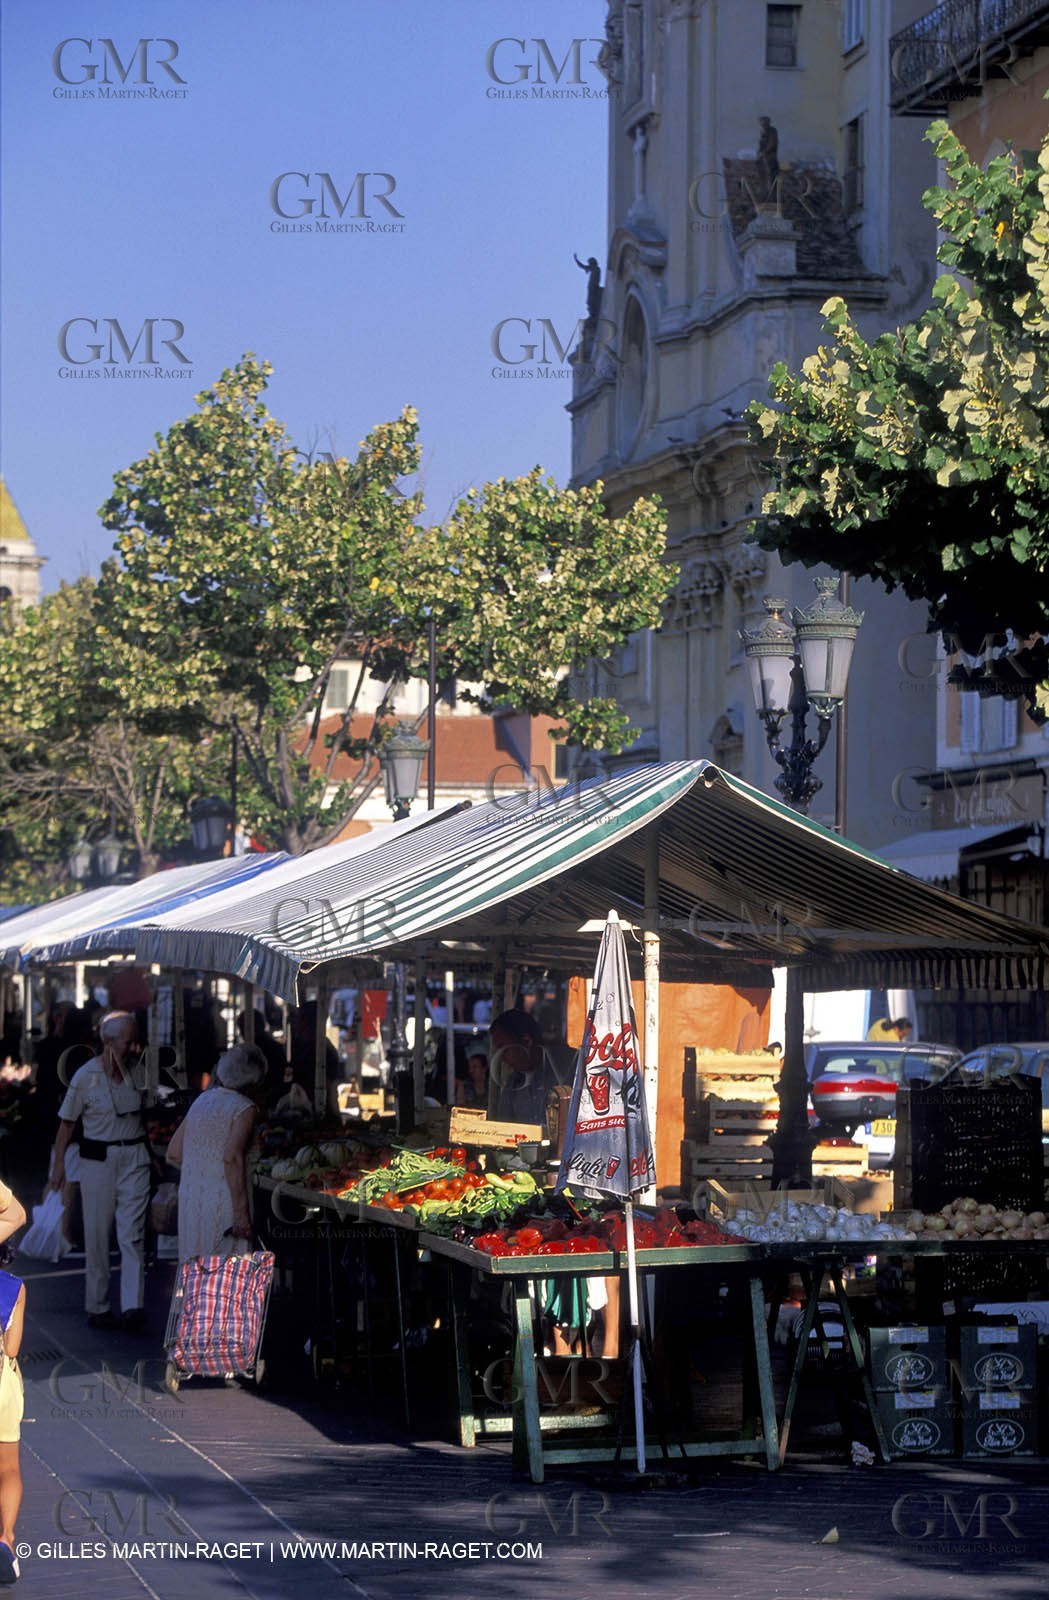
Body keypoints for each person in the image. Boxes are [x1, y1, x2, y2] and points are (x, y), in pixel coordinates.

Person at [48, 1011, 154, 1332]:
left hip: (134, 1157)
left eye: (136, 1041)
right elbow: (66, 1126)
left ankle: (133, 1307)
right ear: (107, 1042)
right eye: (128, 1042)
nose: (134, 1048)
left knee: (132, 1235)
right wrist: (58, 1170)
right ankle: (98, 1305)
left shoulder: (140, 1073)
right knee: (96, 1234)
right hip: (97, 1160)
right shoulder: (84, 1077)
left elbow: (146, 1117)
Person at [165, 1044, 265, 1262]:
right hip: (223, 1204)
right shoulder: (244, 1108)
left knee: (195, 1274)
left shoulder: (202, 1100)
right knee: (225, 1276)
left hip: (192, 1200)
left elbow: (174, 1152)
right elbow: (231, 1157)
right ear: (254, 1080)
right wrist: (240, 1213)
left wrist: (202, 1169)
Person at [0, 1182, 26, 1586]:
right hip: (2, 1384)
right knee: (8, 1468)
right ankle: (5, 1539)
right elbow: (13, 1348)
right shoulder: (14, 1287)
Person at [488, 1009, 567, 1124]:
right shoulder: (513, 1083)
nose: (502, 1058)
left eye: (504, 1049)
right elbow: (504, 1131)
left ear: (527, 1041)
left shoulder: (571, 1070)